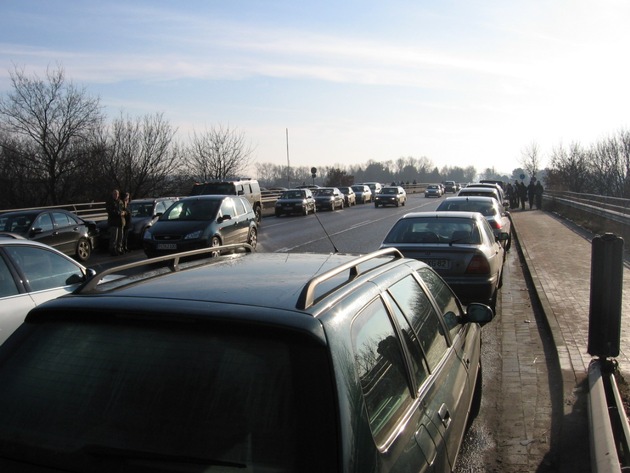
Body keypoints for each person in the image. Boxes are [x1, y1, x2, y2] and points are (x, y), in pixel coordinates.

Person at [106, 189, 126, 256]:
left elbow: (124, 209)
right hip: (114, 222)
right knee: (114, 237)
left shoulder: (120, 201)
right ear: (112, 195)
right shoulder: (110, 202)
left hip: (121, 221)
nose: (116, 195)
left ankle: (119, 248)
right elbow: (110, 211)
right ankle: (112, 249)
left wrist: (124, 213)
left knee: (120, 236)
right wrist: (118, 213)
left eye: (117, 194)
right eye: (114, 194)